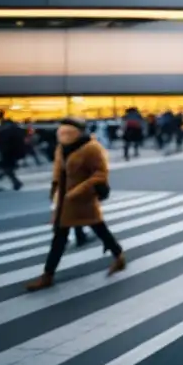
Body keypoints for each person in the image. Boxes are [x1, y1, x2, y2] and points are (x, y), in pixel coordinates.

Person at [26, 119, 127, 291]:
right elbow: (58, 171)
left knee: (99, 229)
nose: (63, 134)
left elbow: (100, 174)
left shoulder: (91, 148)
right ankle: (48, 275)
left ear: (78, 132)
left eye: (68, 131)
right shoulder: (61, 148)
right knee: (60, 237)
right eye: (61, 131)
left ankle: (118, 257)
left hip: (82, 199)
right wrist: (54, 191)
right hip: (64, 201)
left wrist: (77, 192)